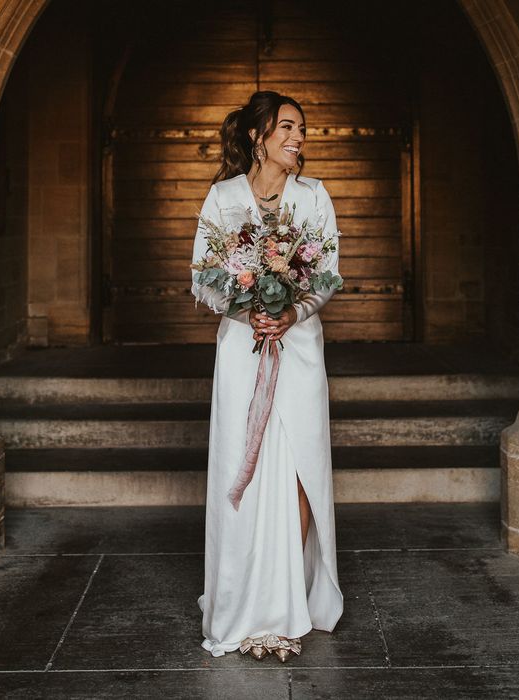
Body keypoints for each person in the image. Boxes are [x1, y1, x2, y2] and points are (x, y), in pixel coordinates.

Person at [192, 91, 344, 663]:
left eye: (302, 128)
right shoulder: (223, 198)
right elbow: (204, 278)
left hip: (299, 350)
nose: (298, 137)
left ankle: (286, 607)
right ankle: (243, 603)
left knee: (301, 464)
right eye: (286, 127)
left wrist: (291, 313)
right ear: (259, 138)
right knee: (244, 467)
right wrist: (246, 311)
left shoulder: (314, 197)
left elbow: (327, 275)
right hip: (242, 354)